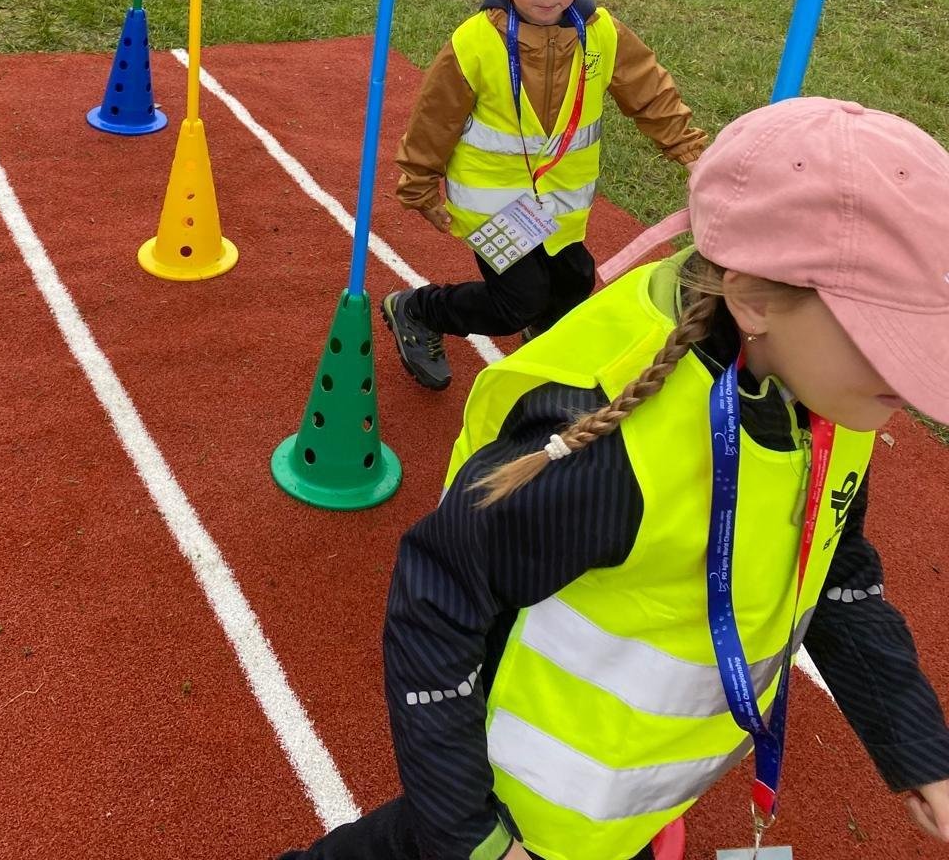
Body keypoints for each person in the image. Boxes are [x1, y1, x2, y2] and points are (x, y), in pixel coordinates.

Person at [278, 96, 949, 860]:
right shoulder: (610, 453)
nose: (914, 378)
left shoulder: (834, 404)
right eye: (888, 338)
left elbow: (833, 569)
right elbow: (437, 597)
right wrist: (474, 839)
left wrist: (917, 747)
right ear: (754, 299)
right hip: (524, 818)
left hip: (620, 810)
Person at [381, 0, 705, 392]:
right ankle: (418, 310)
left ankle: (543, 343)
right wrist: (419, 184)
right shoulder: (476, 43)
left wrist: (692, 153)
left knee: (573, 285)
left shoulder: (603, 35)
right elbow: (434, 119)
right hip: (494, 204)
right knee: (519, 299)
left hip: (559, 205)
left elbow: (651, 95)